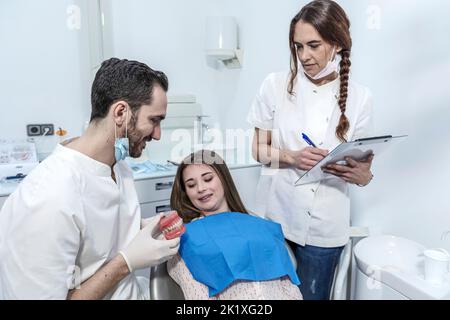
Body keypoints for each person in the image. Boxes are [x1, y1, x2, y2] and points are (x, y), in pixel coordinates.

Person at [0, 58, 180, 299]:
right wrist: (125, 262)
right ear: (120, 113)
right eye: (154, 120)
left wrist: (141, 227)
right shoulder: (48, 196)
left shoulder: (119, 165)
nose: (157, 135)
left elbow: (96, 237)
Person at [247, 0, 374, 300]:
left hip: (324, 230)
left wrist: (362, 175)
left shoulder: (360, 98)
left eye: (313, 45)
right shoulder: (275, 85)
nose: (304, 56)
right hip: (275, 218)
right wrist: (291, 156)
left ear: (337, 44)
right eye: (297, 47)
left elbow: (364, 171)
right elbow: (257, 149)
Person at [167, 150, 302, 300]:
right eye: (191, 185)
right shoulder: (187, 241)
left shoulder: (256, 223)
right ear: (186, 193)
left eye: (208, 179)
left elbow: (288, 282)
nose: (200, 188)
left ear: (223, 178)